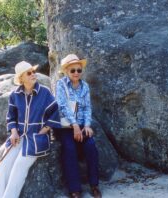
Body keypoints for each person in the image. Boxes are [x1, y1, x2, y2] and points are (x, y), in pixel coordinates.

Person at [0, 61, 61, 198]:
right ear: (21, 78)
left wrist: (43, 131)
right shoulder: (15, 95)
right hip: (19, 137)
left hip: (36, 139)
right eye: (29, 73)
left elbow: (55, 112)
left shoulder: (44, 92)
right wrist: (14, 132)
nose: (33, 74)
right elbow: (11, 116)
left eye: (33, 71)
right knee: (4, 164)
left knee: (19, 167)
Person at [55, 54, 102, 198]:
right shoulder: (61, 85)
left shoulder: (85, 86)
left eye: (79, 70)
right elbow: (62, 106)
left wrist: (87, 125)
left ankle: (94, 185)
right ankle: (74, 189)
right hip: (66, 126)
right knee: (69, 149)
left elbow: (88, 107)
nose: (76, 73)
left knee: (91, 146)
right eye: (72, 70)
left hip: (82, 124)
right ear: (66, 71)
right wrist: (74, 125)